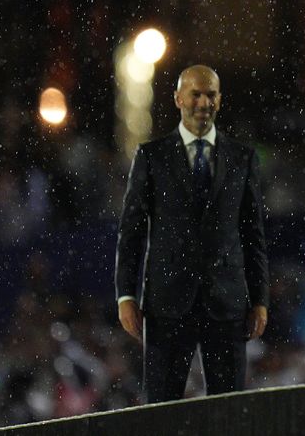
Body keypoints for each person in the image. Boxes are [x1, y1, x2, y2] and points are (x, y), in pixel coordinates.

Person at [115, 64, 269, 402]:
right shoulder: (152, 157)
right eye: (195, 94)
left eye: (210, 94)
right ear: (177, 99)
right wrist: (126, 295)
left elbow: (252, 234)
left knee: (228, 409)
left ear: (220, 100)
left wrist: (259, 299)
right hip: (167, 303)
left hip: (227, 302)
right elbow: (132, 232)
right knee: (161, 409)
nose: (203, 102)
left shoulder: (242, 158)